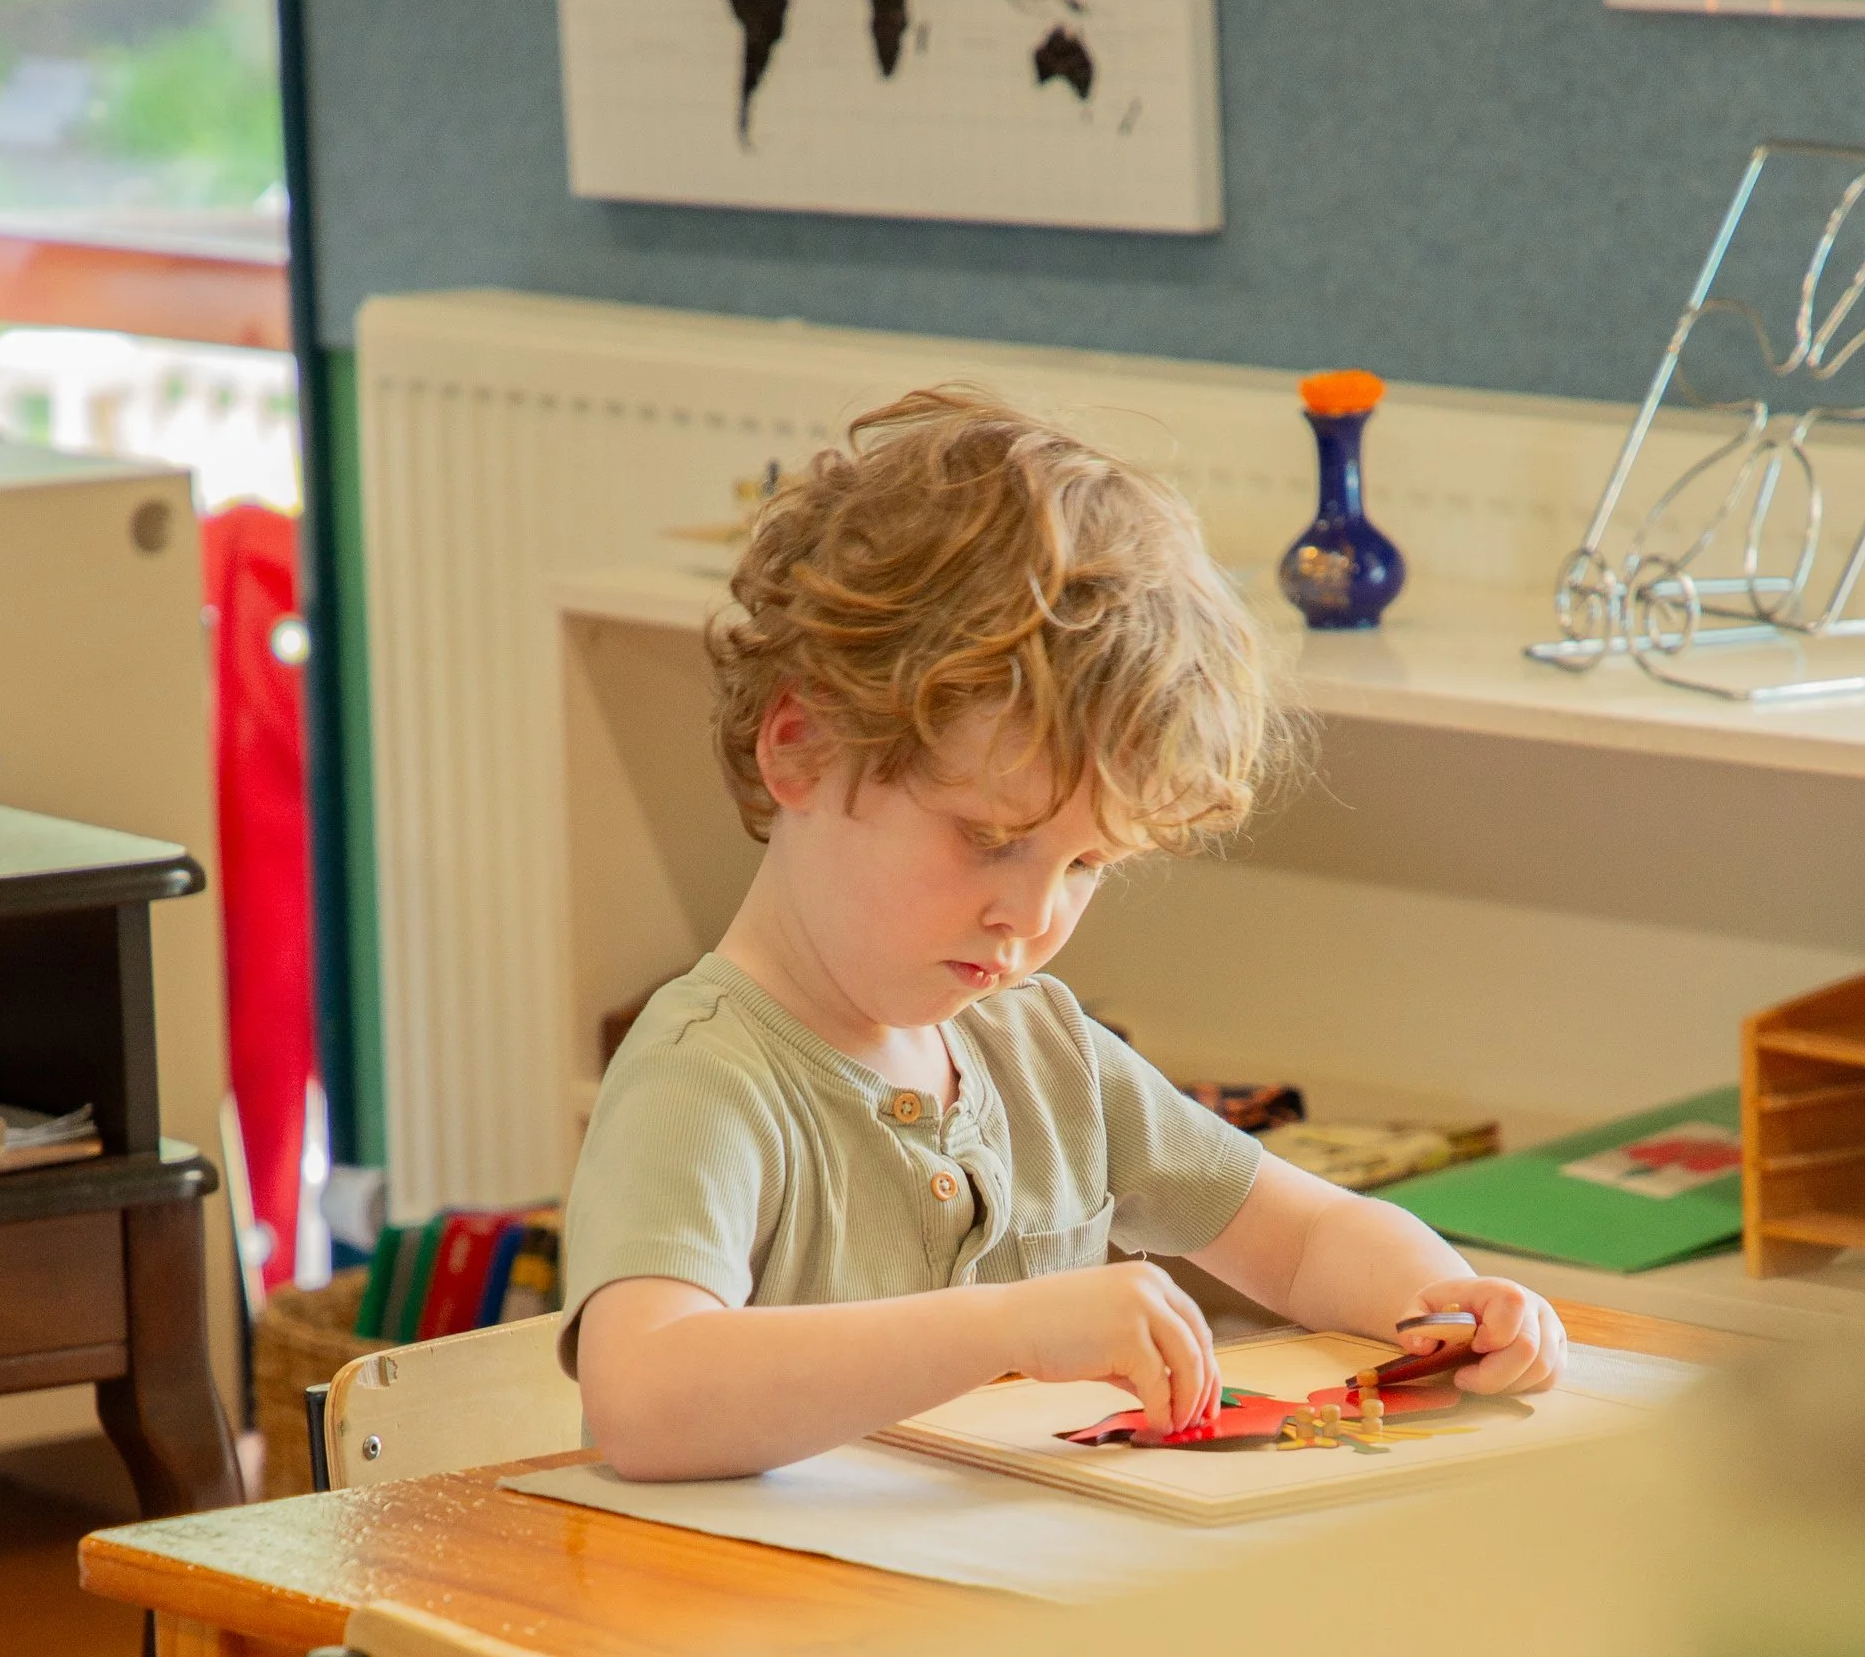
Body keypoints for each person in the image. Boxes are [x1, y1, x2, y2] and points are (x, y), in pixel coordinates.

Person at [563, 388, 1564, 1480]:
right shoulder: (705, 1073)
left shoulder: (1040, 1050)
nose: (1032, 918)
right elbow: (645, 1398)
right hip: (754, 1633)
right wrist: (1009, 1327)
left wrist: (1446, 1302)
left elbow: (1304, 1237)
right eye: (990, 838)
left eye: (1085, 865)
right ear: (800, 750)